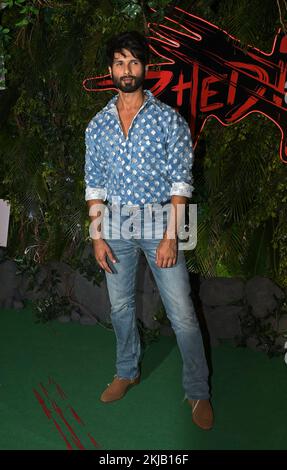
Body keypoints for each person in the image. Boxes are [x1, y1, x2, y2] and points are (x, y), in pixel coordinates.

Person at [84, 31, 214, 430]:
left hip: (161, 221)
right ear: (111, 70)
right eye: (120, 62)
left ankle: (198, 392)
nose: (127, 69)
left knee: (183, 315)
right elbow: (94, 183)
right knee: (120, 307)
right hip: (115, 223)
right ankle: (127, 371)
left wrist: (172, 235)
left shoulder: (167, 119)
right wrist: (97, 234)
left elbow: (181, 182)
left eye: (134, 62)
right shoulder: (98, 125)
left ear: (145, 69)